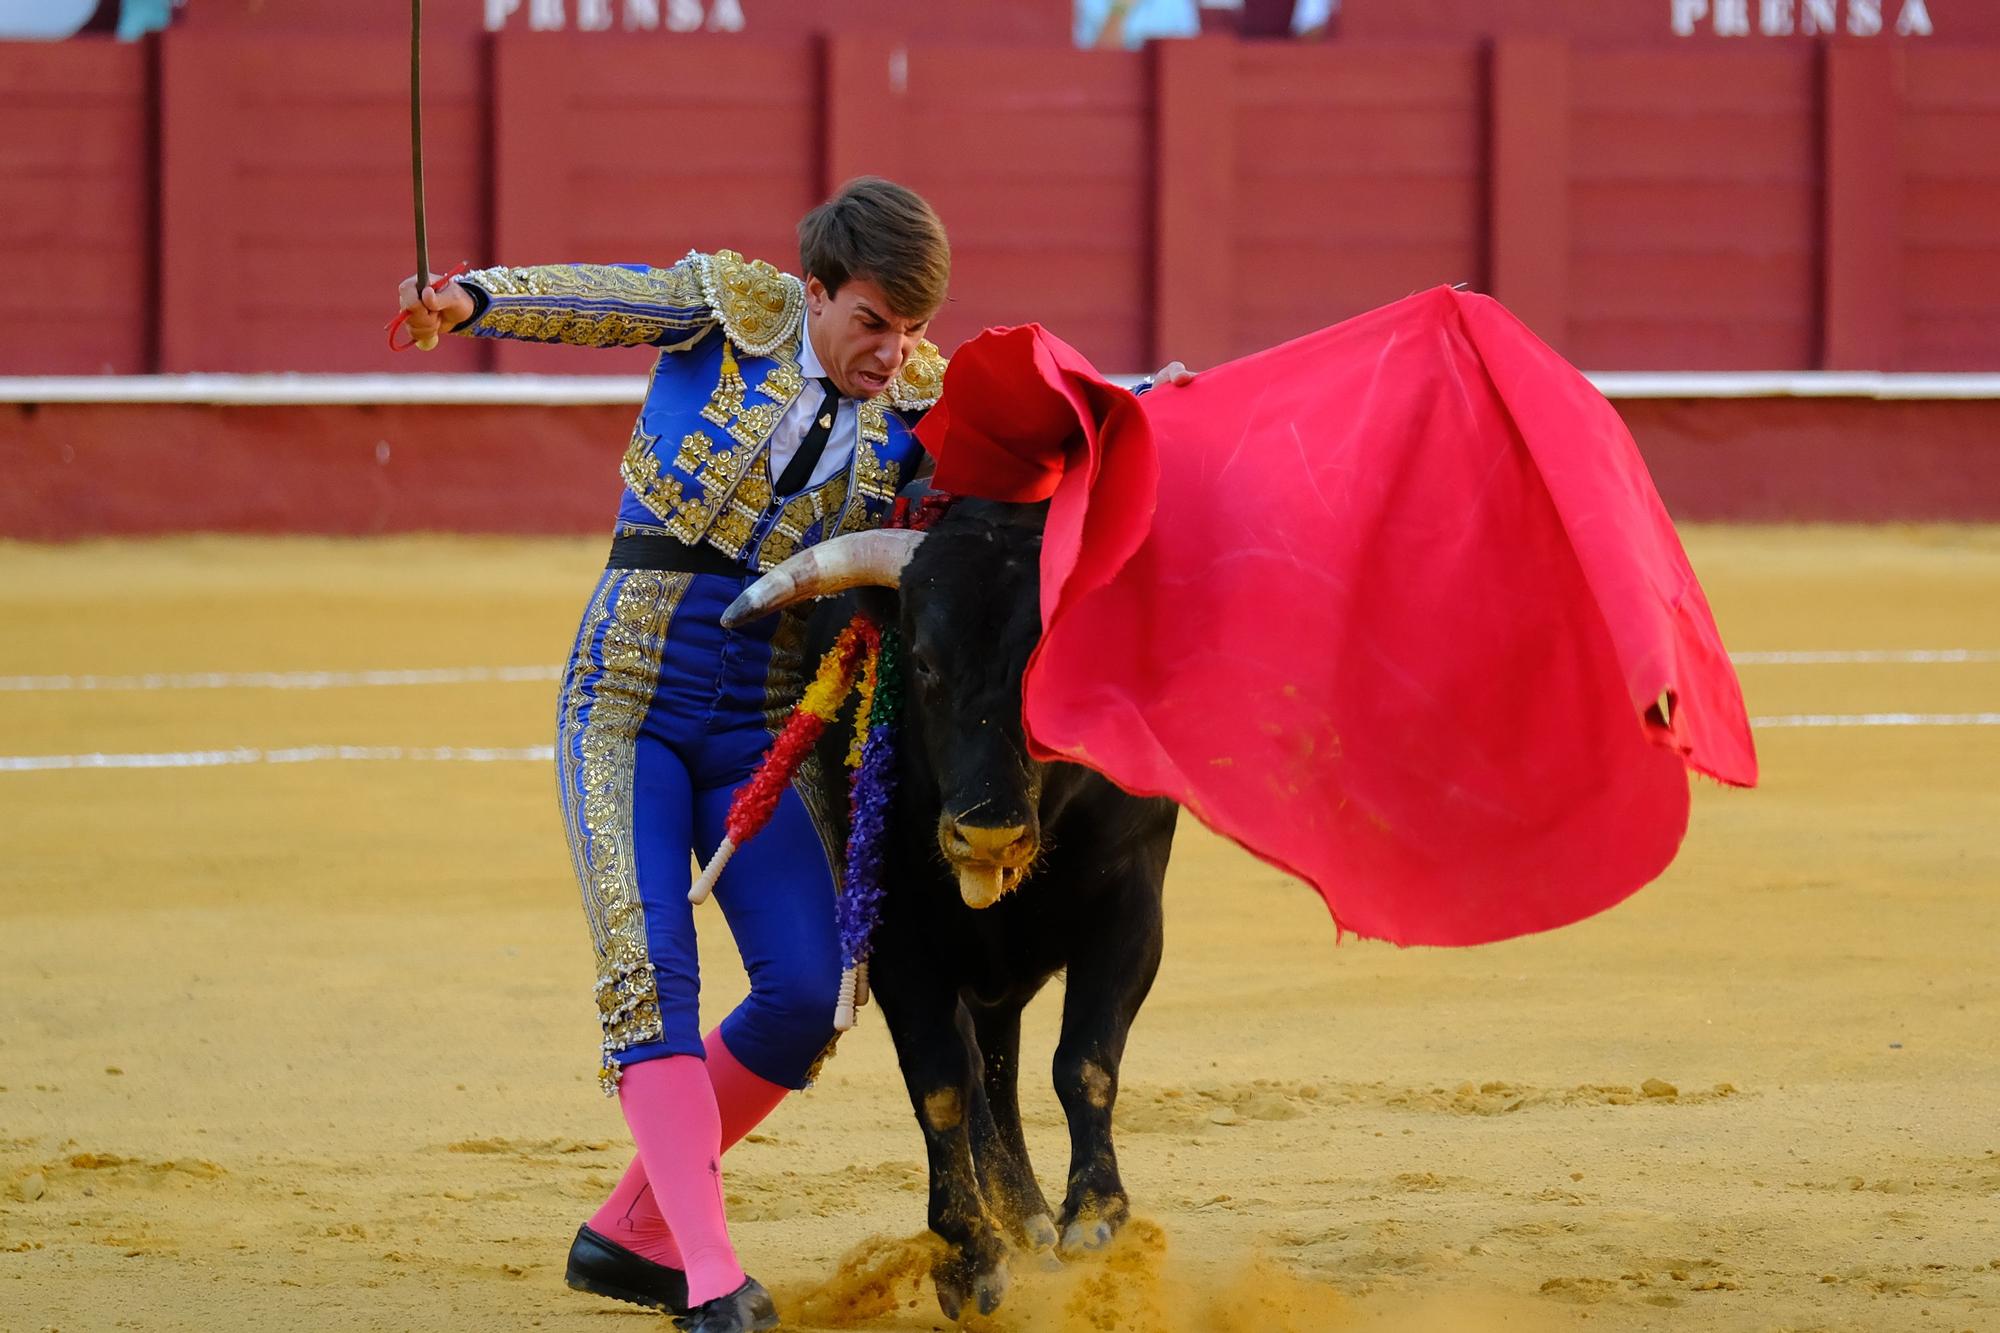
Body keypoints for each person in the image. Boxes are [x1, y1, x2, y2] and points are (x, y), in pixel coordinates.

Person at [395, 177, 951, 1333]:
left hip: (750, 725)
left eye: (909, 329)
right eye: (872, 322)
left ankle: (628, 1232)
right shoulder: (729, 310)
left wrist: (1147, 403)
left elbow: (1028, 430)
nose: (892, 351)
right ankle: (708, 1278)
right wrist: (472, 301)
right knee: (649, 980)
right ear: (816, 294)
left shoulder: (917, 404)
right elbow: (606, 302)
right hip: (623, 705)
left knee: (807, 996)